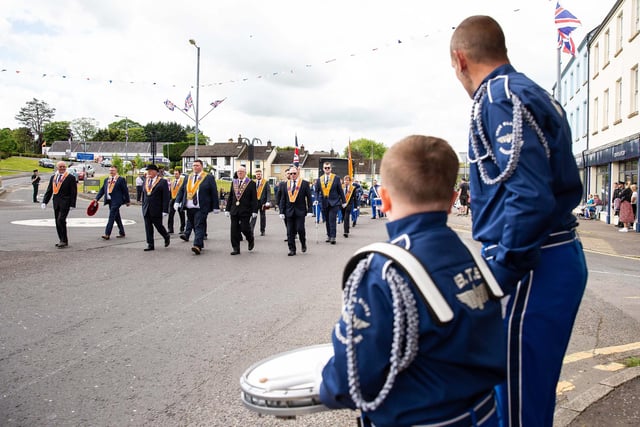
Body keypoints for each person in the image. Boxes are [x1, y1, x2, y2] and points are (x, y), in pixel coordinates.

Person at [450, 16, 588, 426]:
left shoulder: (497, 96)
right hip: (550, 255)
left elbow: (528, 199)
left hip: (533, 262)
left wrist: (498, 276)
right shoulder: (529, 91)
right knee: (522, 395)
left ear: (460, 59)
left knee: (516, 406)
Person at [320, 135, 506, 427]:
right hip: (485, 416)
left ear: (383, 199)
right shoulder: (471, 253)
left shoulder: (385, 270)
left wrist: (325, 387)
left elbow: (349, 381)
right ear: (454, 198)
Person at [174, 159, 219, 255]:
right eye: (194, 165)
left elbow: (214, 192)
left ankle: (197, 245)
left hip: (201, 206)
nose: (195, 167)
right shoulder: (188, 177)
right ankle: (200, 243)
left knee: (199, 224)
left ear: (201, 166)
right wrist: (177, 201)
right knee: (194, 225)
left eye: (197, 165)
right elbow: (182, 190)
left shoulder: (208, 177)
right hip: (189, 206)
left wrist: (216, 206)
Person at [41, 161, 77, 248]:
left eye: (63, 166)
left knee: (61, 220)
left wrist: (72, 204)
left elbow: (73, 192)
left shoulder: (70, 177)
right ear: (57, 168)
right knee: (57, 221)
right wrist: (44, 202)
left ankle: (64, 240)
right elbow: (49, 190)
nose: (62, 168)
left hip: (66, 202)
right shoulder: (53, 177)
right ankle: (62, 239)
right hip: (56, 202)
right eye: (60, 167)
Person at [278, 166, 313, 255]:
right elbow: (283, 199)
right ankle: (292, 249)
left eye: (294, 173)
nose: (292, 175)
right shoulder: (285, 184)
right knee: (290, 231)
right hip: (288, 211)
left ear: (298, 173)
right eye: (291, 173)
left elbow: (309, 198)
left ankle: (303, 243)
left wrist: (310, 210)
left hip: (300, 211)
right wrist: (281, 211)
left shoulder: (304, 184)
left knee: (300, 229)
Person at [225, 165, 258, 255]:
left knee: (245, 228)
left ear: (245, 173)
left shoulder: (251, 183)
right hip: (234, 210)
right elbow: (231, 197)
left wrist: (255, 210)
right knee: (234, 230)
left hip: (246, 210)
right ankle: (236, 248)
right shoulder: (234, 182)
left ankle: (250, 238)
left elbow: (254, 198)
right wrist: (227, 209)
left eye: (241, 172)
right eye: (238, 172)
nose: (239, 173)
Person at [141, 164, 170, 251]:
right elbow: (144, 195)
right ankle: (150, 244)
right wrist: (143, 205)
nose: (148, 172)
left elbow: (166, 197)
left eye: (150, 171)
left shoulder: (162, 182)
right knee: (148, 227)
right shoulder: (146, 181)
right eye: (148, 171)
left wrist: (165, 210)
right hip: (146, 208)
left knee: (158, 226)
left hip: (157, 208)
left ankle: (166, 236)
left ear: (155, 172)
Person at [95, 166, 130, 239]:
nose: (111, 172)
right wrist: (96, 199)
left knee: (111, 216)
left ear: (116, 171)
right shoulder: (106, 180)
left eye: (113, 170)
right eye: (110, 170)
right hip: (109, 200)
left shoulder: (121, 179)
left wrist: (127, 201)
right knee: (117, 216)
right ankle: (122, 232)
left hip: (117, 201)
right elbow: (102, 190)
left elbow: (125, 191)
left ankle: (107, 234)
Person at [315, 162, 346, 244]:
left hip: (334, 202)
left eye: (328, 168)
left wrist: (344, 201)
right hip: (324, 203)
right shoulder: (319, 179)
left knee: (332, 219)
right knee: (327, 220)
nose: (327, 169)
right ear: (323, 169)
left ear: (331, 169)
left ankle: (333, 237)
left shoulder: (336, 178)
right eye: (325, 168)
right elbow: (316, 191)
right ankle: (329, 235)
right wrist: (316, 199)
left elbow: (340, 191)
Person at [251, 169, 271, 237]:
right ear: (255, 175)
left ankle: (262, 230)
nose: (258, 175)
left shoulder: (265, 182)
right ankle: (251, 231)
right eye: (257, 174)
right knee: (253, 216)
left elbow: (268, 192)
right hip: (254, 202)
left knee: (262, 217)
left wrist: (268, 201)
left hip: (263, 202)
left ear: (261, 175)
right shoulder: (253, 182)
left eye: (259, 174)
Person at [168, 169, 186, 234]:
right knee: (170, 214)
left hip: (179, 200)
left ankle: (182, 229)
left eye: (176, 174)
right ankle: (170, 229)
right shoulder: (172, 182)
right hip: (173, 199)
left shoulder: (182, 182)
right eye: (174, 174)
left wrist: (182, 201)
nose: (175, 175)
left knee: (181, 215)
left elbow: (184, 192)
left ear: (179, 174)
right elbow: (170, 191)